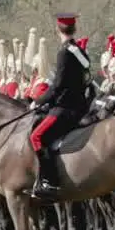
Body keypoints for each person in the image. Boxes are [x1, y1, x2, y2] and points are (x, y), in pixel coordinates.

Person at [29, 14, 92, 201]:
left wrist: (38, 102)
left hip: (65, 108)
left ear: (58, 30)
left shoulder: (64, 52)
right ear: (74, 30)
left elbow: (57, 86)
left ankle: (50, 181)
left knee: (36, 136)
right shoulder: (78, 50)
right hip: (81, 106)